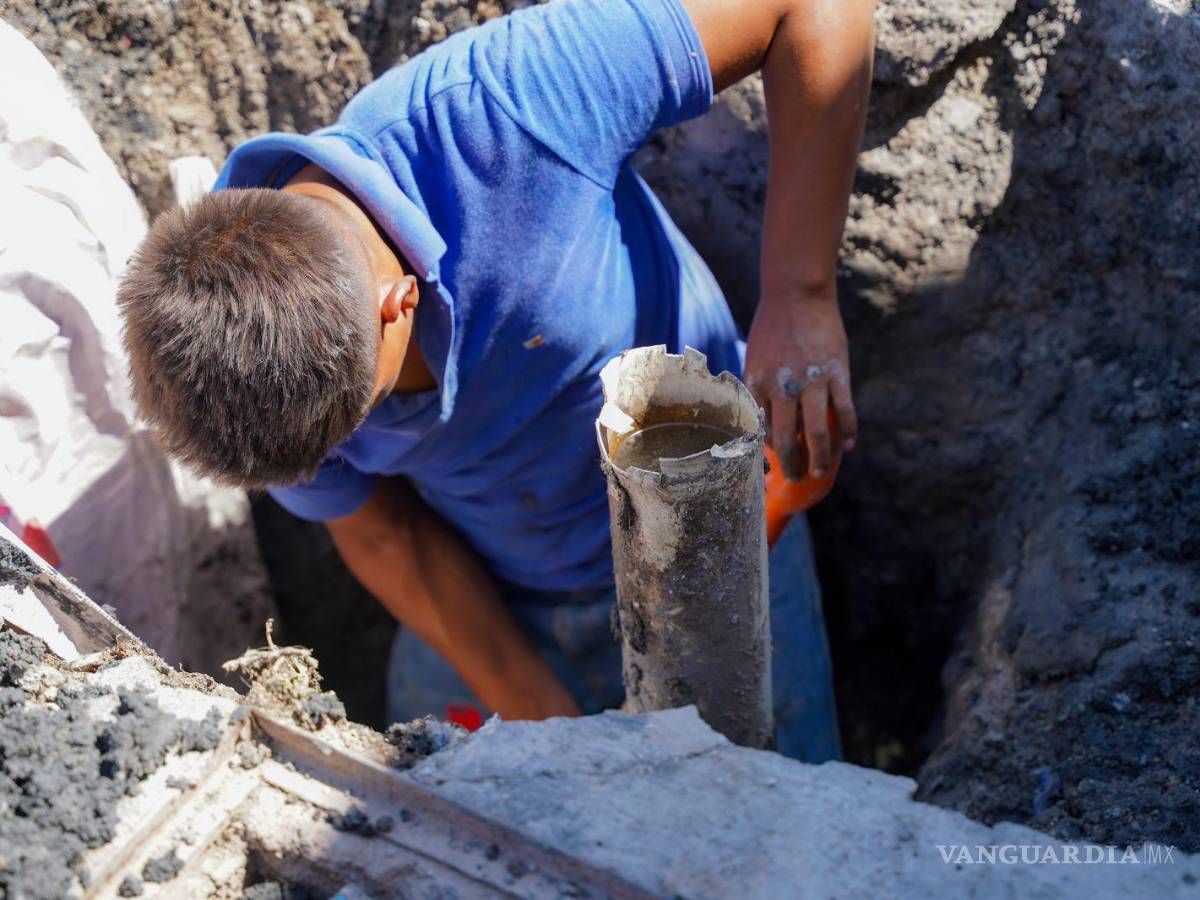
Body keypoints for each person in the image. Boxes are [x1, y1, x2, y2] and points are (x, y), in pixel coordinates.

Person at [118, 0, 874, 761]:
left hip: (718, 535)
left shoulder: (513, 110)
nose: (348, 454)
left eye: (362, 419)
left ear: (400, 301)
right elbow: (381, 531)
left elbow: (812, 8)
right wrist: (536, 706)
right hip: (495, 587)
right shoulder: (237, 363)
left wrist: (799, 291)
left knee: (772, 829)